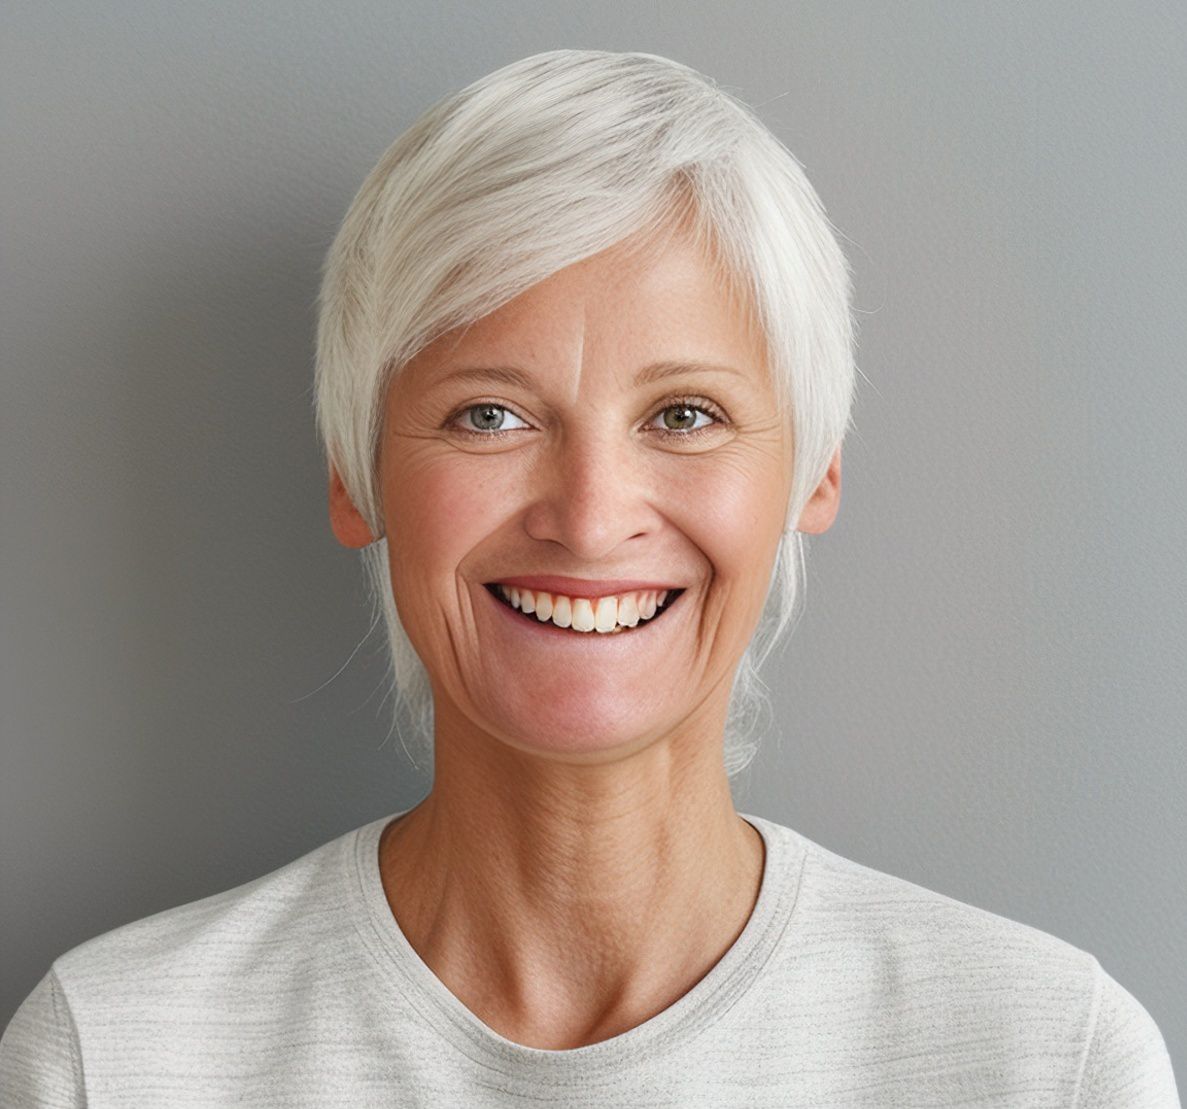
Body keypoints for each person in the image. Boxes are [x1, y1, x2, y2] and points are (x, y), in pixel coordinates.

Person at [1, 48, 1179, 1108]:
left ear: (811, 472)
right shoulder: (115, 1055)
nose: (589, 515)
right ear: (356, 476)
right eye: (490, 413)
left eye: (683, 412)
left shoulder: (1047, 1061)